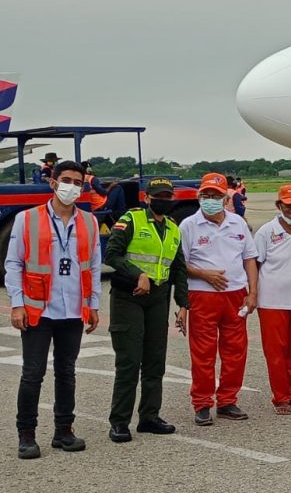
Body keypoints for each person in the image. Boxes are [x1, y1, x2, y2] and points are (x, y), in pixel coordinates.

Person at [6, 160, 101, 459]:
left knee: (67, 373)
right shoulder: (27, 219)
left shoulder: (90, 222)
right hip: (38, 310)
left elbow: (95, 265)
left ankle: (64, 431)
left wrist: (93, 304)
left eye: (77, 181)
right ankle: (26, 434)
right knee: (32, 374)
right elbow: (14, 263)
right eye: (66, 180)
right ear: (53, 182)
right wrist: (17, 304)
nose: (71, 186)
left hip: (73, 309)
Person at [105, 177, 188, 443]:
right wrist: (137, 274)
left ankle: (149, 417)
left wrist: (183, 304)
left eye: (167, 195)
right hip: (128, 297)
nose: (163, 199)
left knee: (155, 361)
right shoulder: (131, 219)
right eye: (158, 196)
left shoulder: (174, 228)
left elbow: (178, 268)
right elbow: (112, 254)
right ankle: (119, 422)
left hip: (158, 298)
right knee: (129, 362)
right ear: (147, 198)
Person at [179, 172, 259, 426]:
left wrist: (253, 292)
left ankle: (227, 400)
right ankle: (202, 403)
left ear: (226, 197)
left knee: (235, 350)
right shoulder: (189, 225)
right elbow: (179, 262)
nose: (210, 199)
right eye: (206, 195)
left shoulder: (237, 223)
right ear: (199, 196)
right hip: (203, 294)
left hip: (235, 293)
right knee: (203, 352)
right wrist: (204, 274)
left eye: (215, 195)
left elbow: (249, 259)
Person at [254, 184, 291, 415]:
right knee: (276, 352)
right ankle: (280, 398)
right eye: (289, 205)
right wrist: (251, 293)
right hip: (271, 300)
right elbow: (255, 264)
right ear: (279, 205)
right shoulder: (266, 231)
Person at [81, 160, 127, 225]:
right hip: (101, 205)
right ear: (88, 169)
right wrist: (111, 185)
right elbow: (104, 192)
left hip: (92, 207)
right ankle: (122, 216)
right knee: (118, 188)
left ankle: (117, 214)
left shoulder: (80, 179)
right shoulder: (91, 178)